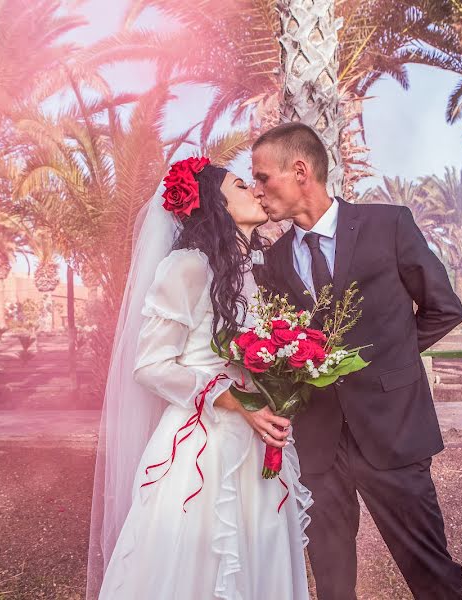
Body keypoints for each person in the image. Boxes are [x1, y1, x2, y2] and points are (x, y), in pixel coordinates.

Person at [252, 122, 462, 600]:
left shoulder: (387, 225)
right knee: (330, 582)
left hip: (392, 429)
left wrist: (384, 361)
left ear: (301, 171)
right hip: (318, 444)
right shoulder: (276, 260)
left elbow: (444, 308)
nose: (258, 189)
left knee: (431, 573)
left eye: (263, 177)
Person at [85, 157, 311, 600]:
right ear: (216, 204)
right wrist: (234, 401)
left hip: (257, 438)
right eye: (243, 186)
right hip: (203, 447)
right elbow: (150, 365)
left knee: (259, 551)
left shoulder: (254, 271)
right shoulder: (188, 266)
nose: (257, 191)